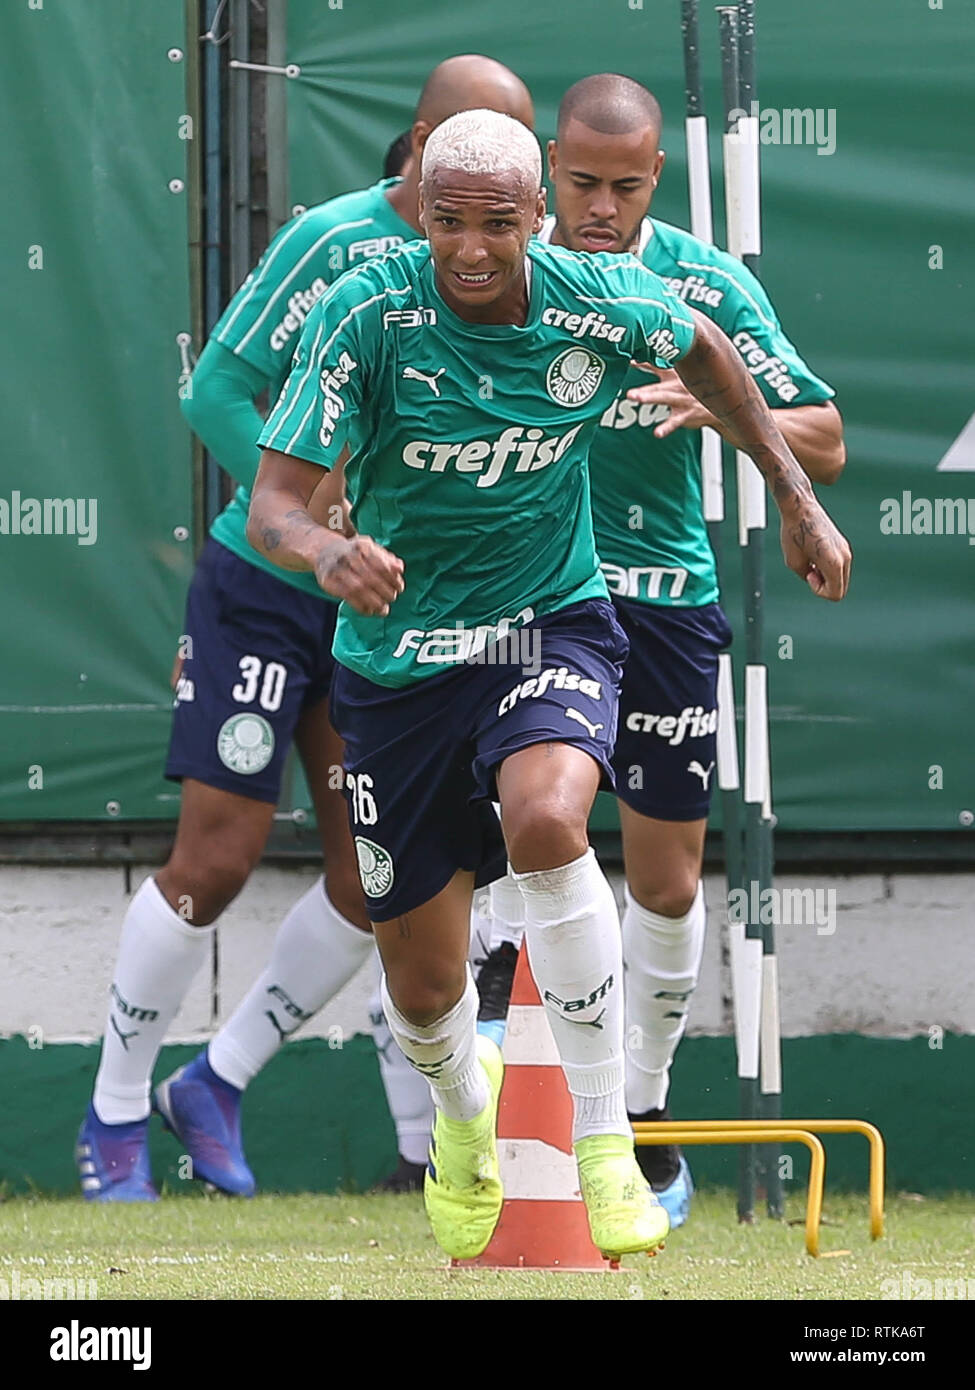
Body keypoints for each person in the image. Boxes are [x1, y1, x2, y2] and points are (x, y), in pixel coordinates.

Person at [246, 108, 851, 1260]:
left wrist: (795, 495)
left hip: (548, 629)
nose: (472, 249)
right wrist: (328, 550)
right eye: (449, 222)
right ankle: (464, 1120)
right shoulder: (365, 315)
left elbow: (707, 350)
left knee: (550, 817)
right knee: (424, 990)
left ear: (537, 219)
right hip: (403, 665)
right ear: (420, 210)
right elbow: (277, 502)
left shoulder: (597, 298)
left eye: (497, 225)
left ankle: (604, 1136)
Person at [74, 57, 534, 1203]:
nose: (484, 187)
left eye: (513, 164)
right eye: (465, 146)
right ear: (420, 140)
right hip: (271, 586)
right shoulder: (332, 240)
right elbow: (215, 392)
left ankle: (217, 1085)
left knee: (372, 877)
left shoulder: (516, 267)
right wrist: (311, 528)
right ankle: (114, 1119)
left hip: (389, 603)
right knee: (217, 857)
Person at [475, 73, 847, 1229]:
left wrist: (727, 414)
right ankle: (512, 1111)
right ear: (547, 163)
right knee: (527, 835)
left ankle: (641, 1120)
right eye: (578, 181)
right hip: (535, 595)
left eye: (623, 187)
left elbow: (825, 437)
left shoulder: (698, 281)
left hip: (667, 603)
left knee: (669, 877)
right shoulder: (496, 274)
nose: (598, 206)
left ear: (657, 181)